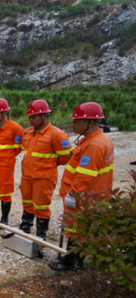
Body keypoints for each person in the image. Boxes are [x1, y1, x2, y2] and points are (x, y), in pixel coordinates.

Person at [49, 102, 114, 271]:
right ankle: (79, 260)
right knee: (83, 228)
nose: (72, 123)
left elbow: (85, 176)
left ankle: (68, 262)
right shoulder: (99, 139)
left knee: (74, 228)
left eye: (76, 120)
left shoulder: (94, 145)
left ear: (89, 122)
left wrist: (73, 194)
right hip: (93, 195)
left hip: (83, 196)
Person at [19, 100, 71, 240]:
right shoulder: (27, 132)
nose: (30, 120)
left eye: (33, 117)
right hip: (27, 176)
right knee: (27, 203)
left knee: (41, 207)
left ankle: (41, 235)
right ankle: (25, 227)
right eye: (29, 117)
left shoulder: (57, 134)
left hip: (44, 178)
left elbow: (65, 158)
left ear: (44, 116)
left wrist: (46, 166)